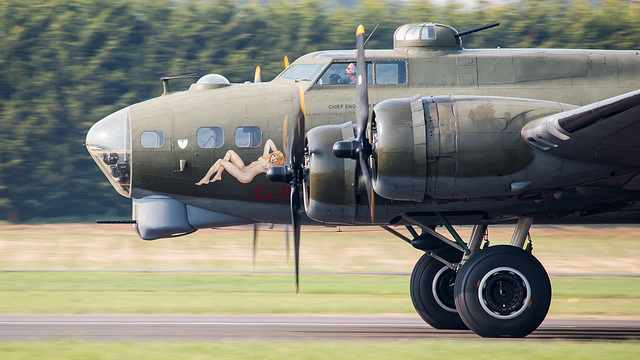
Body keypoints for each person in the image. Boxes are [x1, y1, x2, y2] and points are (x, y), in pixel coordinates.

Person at [195, 139, 286, 185]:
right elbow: (269, 141)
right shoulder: (266, 156)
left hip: (246, 176)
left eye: (276, 159)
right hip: (243, 168)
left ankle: (206, 178)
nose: (274, 158)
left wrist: (281, 159)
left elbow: (282, 168)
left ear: (278, 161)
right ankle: (218, 175)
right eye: (274, 156)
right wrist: (277, 152)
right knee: (230, 152)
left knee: (220, 161)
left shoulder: (271, 167)